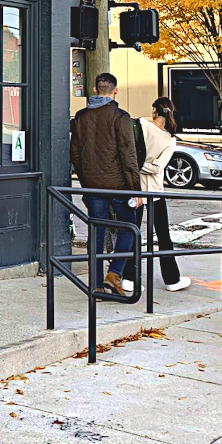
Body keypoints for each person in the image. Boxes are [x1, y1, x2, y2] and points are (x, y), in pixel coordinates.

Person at [70, 72, 140, 296]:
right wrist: (136, 190)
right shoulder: (121, 117)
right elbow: (129, 155)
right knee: (129, 227)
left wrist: (85, 182)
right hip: (118, 186)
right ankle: (115, 273)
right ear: (115, 91)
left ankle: (96, 285)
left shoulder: (80, 117)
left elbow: (75, 154)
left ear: (94, 90)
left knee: (96, 233)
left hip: (93, 186)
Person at [121, 97, 191, 293]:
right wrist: (146, 166)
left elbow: (128, 154)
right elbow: (158, 167)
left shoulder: (140, 126)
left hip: (134, 189)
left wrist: (135, 166)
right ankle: (172, 279)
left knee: (132, 232)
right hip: (155, 191)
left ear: (154, 110)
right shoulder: (170, 139)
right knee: (163, 235)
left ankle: (128, 277)